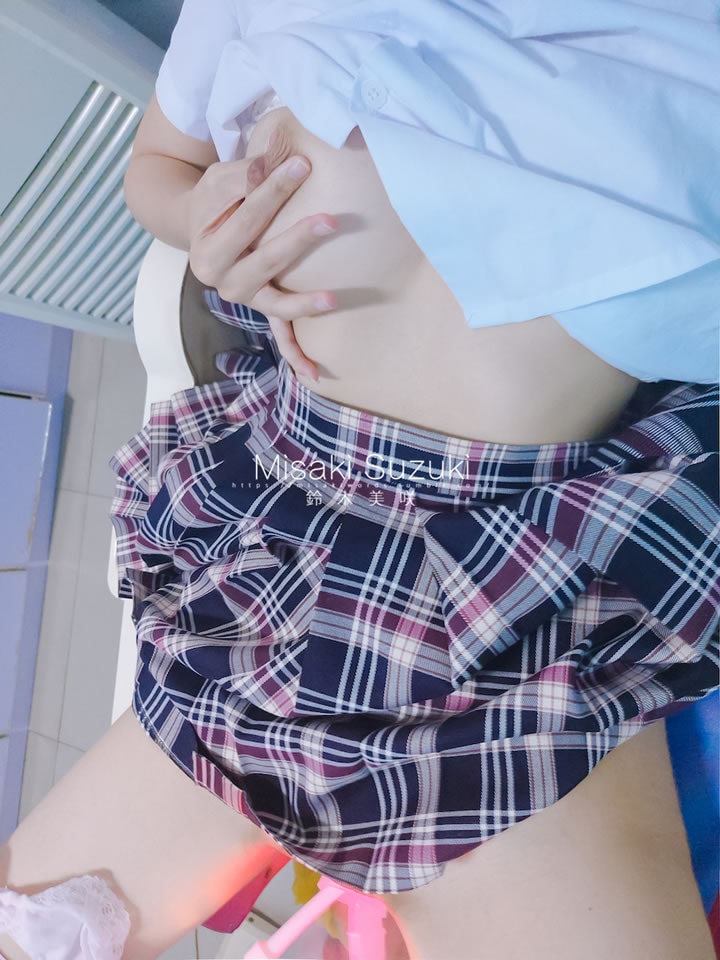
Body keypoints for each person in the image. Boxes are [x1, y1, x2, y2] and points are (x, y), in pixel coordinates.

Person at [1, 2, 719, 958]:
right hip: (271, 554)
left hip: (515, 607)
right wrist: (202, 220)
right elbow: (157, 166)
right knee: (32, 936)